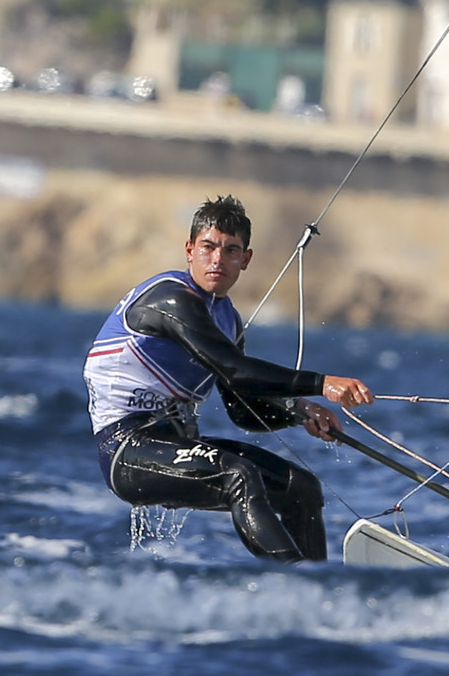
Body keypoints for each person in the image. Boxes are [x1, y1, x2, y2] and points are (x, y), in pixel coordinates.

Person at [84, 195, 372, 561]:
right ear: (190, 251)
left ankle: (317, 587)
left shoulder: (228, 321)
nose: (217, 259)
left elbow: (241, 409)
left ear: (245, 259)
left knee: (302, 488)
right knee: (239, 476)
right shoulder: (171, 299)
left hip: (177, 442)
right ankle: (297, 579)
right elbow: (236, 370)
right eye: (208, 247)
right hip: (127, 450)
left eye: (230, 250)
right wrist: (321, 383)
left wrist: (300, 411)